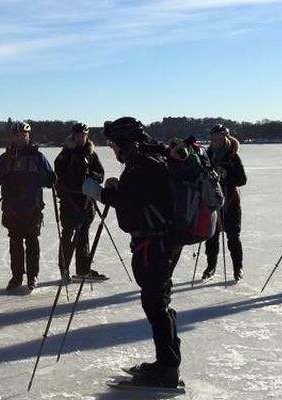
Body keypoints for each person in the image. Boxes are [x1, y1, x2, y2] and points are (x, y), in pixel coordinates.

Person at [81, 117, 183, 389]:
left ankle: (166, 370)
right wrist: (114, 189)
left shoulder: (144, 164)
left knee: (155, 304)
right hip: (159, 242)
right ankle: (167, 363)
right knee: (158, 301)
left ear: (126, 142)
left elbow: (130, 201)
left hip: (154, 243)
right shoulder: (148, 160)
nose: (112, 150)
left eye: (114, 144)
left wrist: (101, 194)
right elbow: (135, 196)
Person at [0, 121, 56, 292]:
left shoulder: (37, 157)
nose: (21, 138)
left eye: (24, 135)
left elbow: (51, 179)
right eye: (18, 135)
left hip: (32, 207)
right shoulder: (6, 157)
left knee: (32, 243)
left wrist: (47, 178)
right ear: (13, 137)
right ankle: (17, 277)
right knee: (15, 244)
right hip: (12, 208)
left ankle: (32, 276)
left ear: (28, 136)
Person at [54, 122, 107, 284]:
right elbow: (58, 176)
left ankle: (83, 269)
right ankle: (64, 269)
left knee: (83, 236)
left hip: (86, 201)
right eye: (78, 136)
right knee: (68, 236)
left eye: (83, 136)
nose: (81, 139)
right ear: (73, 136)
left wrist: (92, 176)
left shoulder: (91, 154)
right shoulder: (65, 154)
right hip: (70, 202)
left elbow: (101, 174)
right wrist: (74, 180)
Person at [201, 124, 248, 280]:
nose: (217, 141)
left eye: (220, 138)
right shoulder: (206, 155)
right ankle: (211, 267)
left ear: (225, 138)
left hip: (231, 201)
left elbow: (242, 179)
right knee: (211, 236)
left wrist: (226, 176)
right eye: (214, 138)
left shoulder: (232, 156)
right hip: (212, 201)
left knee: (233, 236)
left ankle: (238, 268)